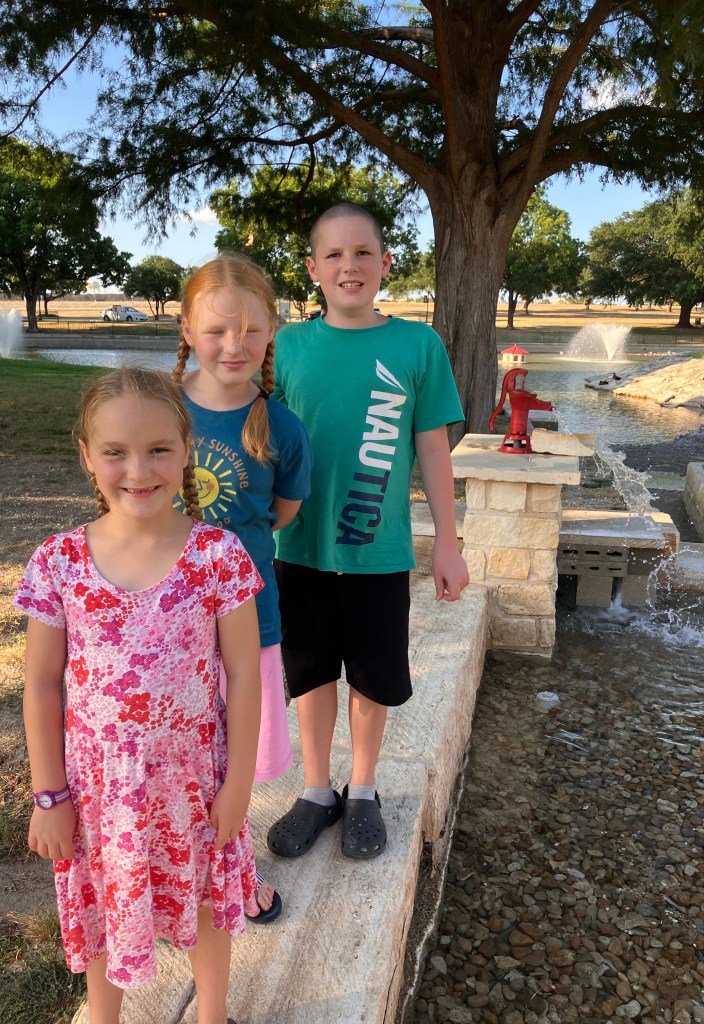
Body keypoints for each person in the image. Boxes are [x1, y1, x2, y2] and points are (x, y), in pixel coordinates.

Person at [14, 368, 262, 1024]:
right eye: (116, 452)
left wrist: (238, 784)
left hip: (193, 782)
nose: (139, 470)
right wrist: (49, 794)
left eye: (158, 450)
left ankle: (212, 1015)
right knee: (105, 908)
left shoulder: (219, 556)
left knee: (205, 903)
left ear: (186, 449)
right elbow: (40, 683)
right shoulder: (59, 562)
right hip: (99, 794)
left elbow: (244, 674)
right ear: (87, 456)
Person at [267, 202, 469, 861]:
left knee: (371, 677)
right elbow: (259, 442)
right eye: (333, 254)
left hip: (377, 552)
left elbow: (433, 449)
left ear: (385, 263)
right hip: (299, 547)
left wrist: (447, 543)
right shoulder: (286, 347)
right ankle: (316, 790)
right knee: (310, 673)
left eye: (362, 253)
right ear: (312, 269)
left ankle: (362, 789)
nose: (348, 266)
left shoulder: (417, 346)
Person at [172, 254, 312, 920]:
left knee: (235, 755)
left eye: (252, 331)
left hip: (248, 619)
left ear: (271, 332)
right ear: (186, 330)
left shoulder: (282, 427)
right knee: (176, 751)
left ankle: (236, 864)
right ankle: (177, 865)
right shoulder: (160, 411)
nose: (235, 345)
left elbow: (281, 514)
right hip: (165, 622)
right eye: (216, 330)